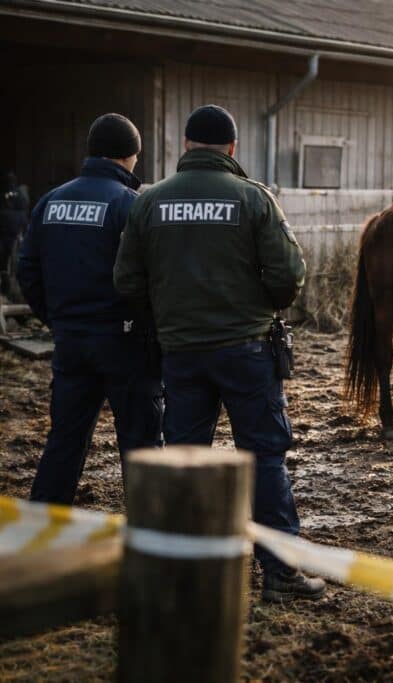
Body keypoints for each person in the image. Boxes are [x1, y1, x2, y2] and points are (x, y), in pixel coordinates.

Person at [114, 104, 324, 602]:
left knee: (186, 460)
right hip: (247, 350)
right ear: (232, 149)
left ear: (186, 146)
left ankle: (185, 575)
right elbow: (289, 276)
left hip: (181, 352)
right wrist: (260, 303)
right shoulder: (253, 199)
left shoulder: (149, 201)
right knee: (264, 458)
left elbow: (126, 280)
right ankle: (279, 573)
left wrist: (168, 315)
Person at [16, 113, 163, 503]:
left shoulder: (51, 201)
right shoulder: (130, 205)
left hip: (70, 341)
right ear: (132, 155)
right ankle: (151, 542)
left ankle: (40, 535)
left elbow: (26, 270)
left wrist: (57, 319)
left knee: (64, 440)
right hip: (125, 341)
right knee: (142, 445)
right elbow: (152, 276)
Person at [0, 171, 29, 297]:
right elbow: (23, 215)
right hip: (14, 234)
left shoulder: (12, 195)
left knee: (8, 263)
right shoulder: (20, 196)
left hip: (10, 234)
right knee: (10, 264)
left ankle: (8, 290)